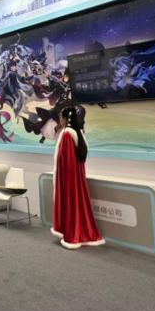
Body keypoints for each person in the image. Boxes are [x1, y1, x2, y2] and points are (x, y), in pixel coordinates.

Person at [51, 105, 105, 249]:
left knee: (71, 205)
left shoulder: (68, 134)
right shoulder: (77, 133)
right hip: (76, 178)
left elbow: (67, 161)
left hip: (70, 179)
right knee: (78, 204)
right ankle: (79, 233)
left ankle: (73, 235)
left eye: (61, 117)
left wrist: (64, 182)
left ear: (66, 118)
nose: (59, 119)